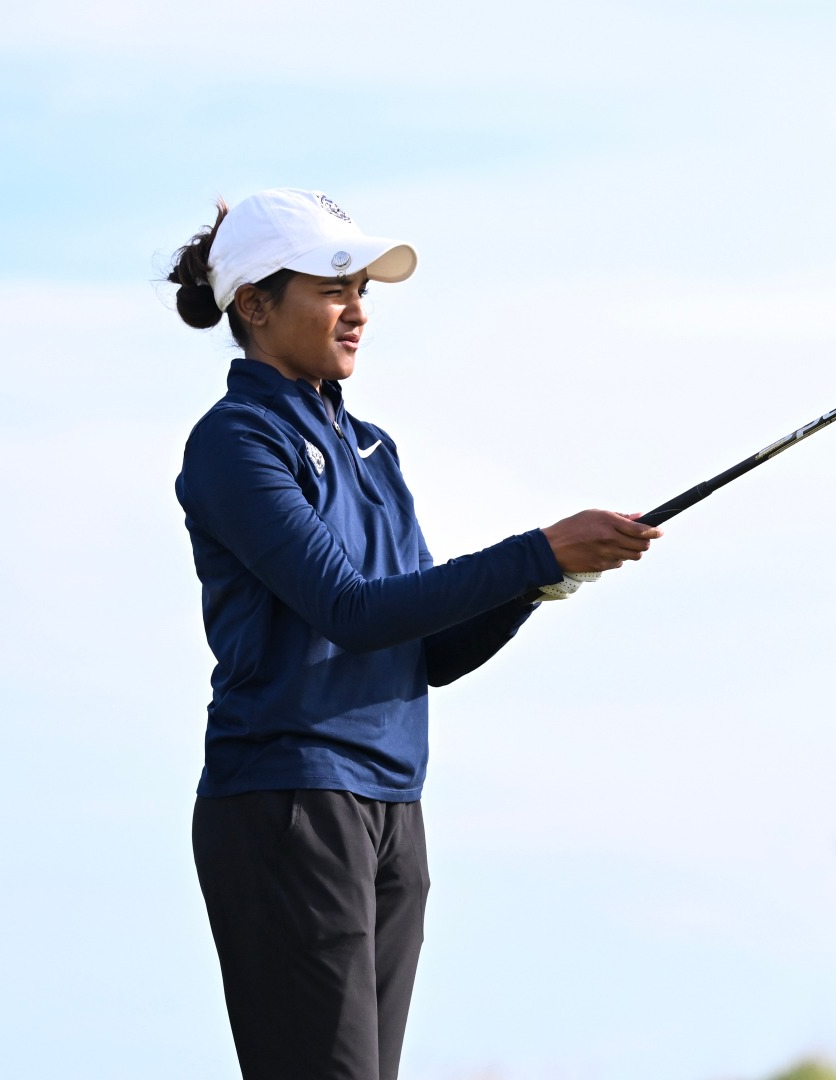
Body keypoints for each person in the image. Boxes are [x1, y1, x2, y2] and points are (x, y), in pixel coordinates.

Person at [166, 188, 660, 1080]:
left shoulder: (373, 452)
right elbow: (350, 611)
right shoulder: (235, 443)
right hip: (288, 802)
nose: (356, 311)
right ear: (253, 304)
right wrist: (534, 550)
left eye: (362, 290)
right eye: (331, 287)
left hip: (394, 808)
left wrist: (549, 576)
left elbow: (426, 650)